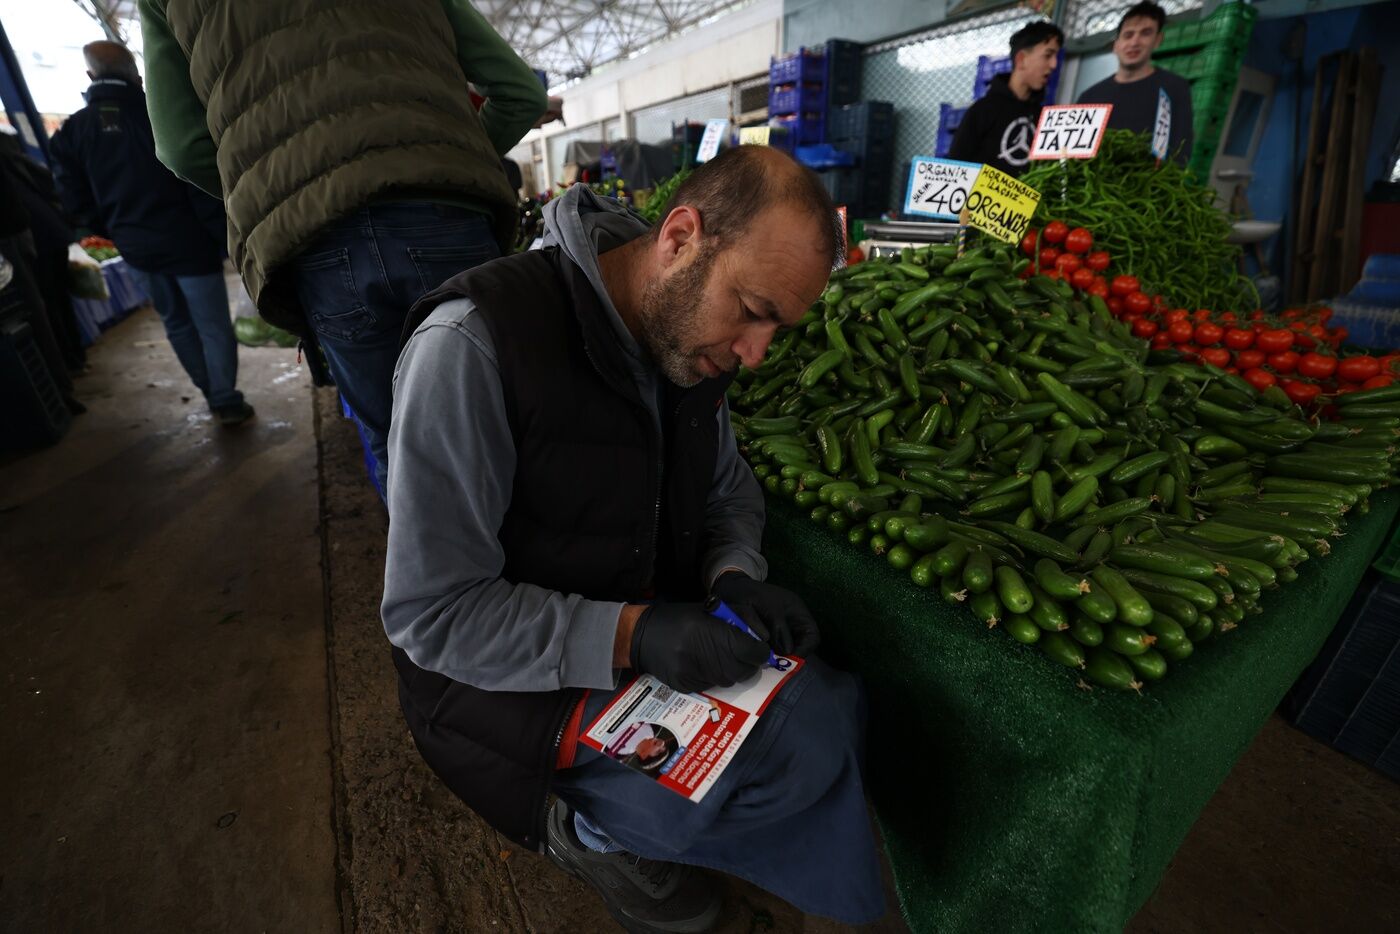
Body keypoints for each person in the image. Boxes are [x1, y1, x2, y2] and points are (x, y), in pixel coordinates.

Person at [384, 145, 885, 933]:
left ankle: (651, 834)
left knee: (827, 711)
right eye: (753, 312)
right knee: (733, 791)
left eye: (776, 330)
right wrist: (632, 633)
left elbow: (728, 491)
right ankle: (586, 832)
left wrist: (731, 578)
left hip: (638, 634)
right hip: (499, 690)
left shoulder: (687, 338)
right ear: (681, 236)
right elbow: (433, 615)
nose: (755, 357)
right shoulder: (474, 346)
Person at [138, 0, 547, 491]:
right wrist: (445, 159)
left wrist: (278, 193)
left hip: (318, 245)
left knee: (394, 443)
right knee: (508, 425)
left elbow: (180, 147)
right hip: (443, 218)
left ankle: (433, 568)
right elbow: (521, 93)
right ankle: (540, 564)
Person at [48, 42, 251, 425]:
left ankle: (211, 392)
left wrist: (110, 230)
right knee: (213, 326)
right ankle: (225, 399)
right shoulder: (162, 116)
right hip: (190, 243)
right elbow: (196, 177)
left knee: (175, 322)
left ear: (91, 76)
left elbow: (72, 195)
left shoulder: (73, 132)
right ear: (137, 75)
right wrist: (220, 236)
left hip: (135, 248)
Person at [1078, 1, 1194, 166]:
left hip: (1149, 187)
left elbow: (1180, 153)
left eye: (1145, 33)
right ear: (1115, 45)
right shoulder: (1090, 97)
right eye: (1128, 35)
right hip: (1094, 186)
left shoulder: (1174, 89)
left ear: (1158, 40)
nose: (1134, 42)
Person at [949, 20, 1064, 176]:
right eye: (1048, 55)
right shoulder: (982, 111)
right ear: (1021, 59)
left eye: (1055, 57)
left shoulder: (1045, 117)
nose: (1054, 64)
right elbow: (955, 167)